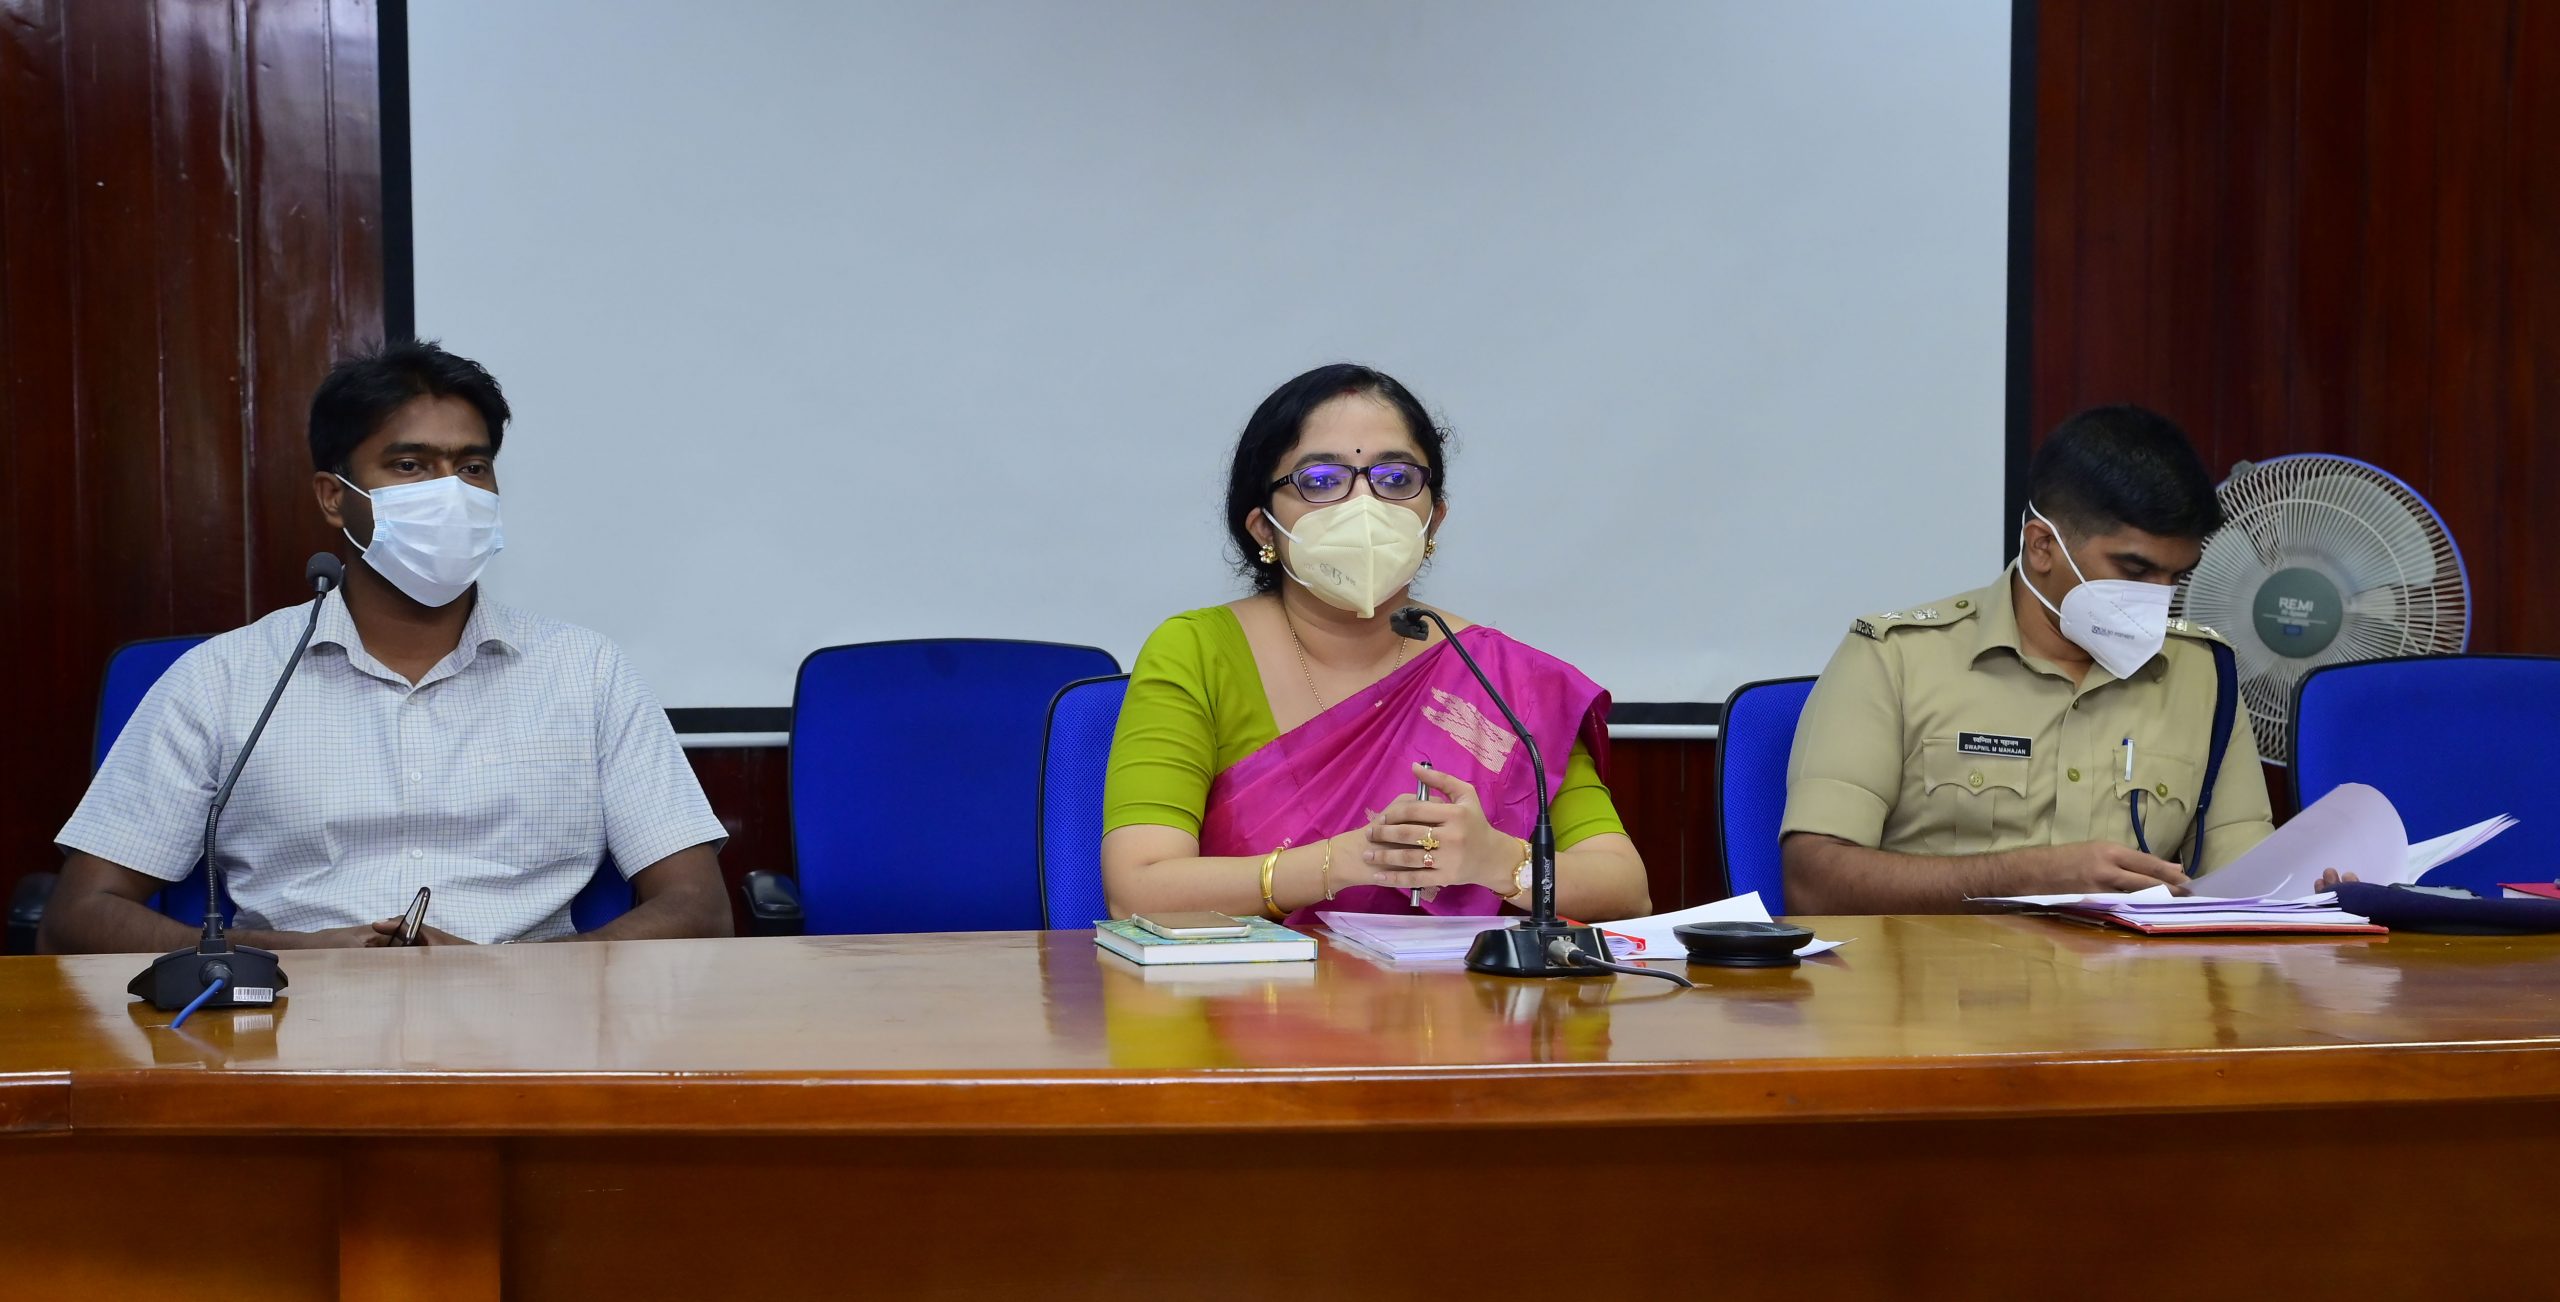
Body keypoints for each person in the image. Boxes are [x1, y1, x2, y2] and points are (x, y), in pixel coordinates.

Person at [44, 340, 733, 951]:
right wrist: (281, 954)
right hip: (293, 1020)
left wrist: (506, 970)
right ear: (334, 498)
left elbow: (698, 908)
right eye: (409, 465)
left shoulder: (585, 672)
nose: (450, 493)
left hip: (532, 1020)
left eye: (472, 467)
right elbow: (78, 916)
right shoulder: (225, 678)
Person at [1101, 363, 1650, 924]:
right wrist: (1338, 862)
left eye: (1395, 479)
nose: (1364, 505)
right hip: (1253, 980)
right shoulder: (1199, 651)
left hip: (1451, 983)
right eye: (1320, 480)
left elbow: (1625, 889)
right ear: (1263, 526)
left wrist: (1501, 862)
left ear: (1433, 520)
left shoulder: (1500, 678)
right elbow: (1139, 891)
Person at [1779, 404, 2320, 914]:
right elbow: (1812, 884)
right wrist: (2023, 877)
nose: (2159, 599)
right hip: (1941, 978)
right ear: (2042, 546)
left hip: (2136, 981)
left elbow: (2246, 887)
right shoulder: (1895, 658)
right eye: (2135, 571)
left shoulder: (2204, 673)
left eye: (2176, 576)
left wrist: (2312, 896)